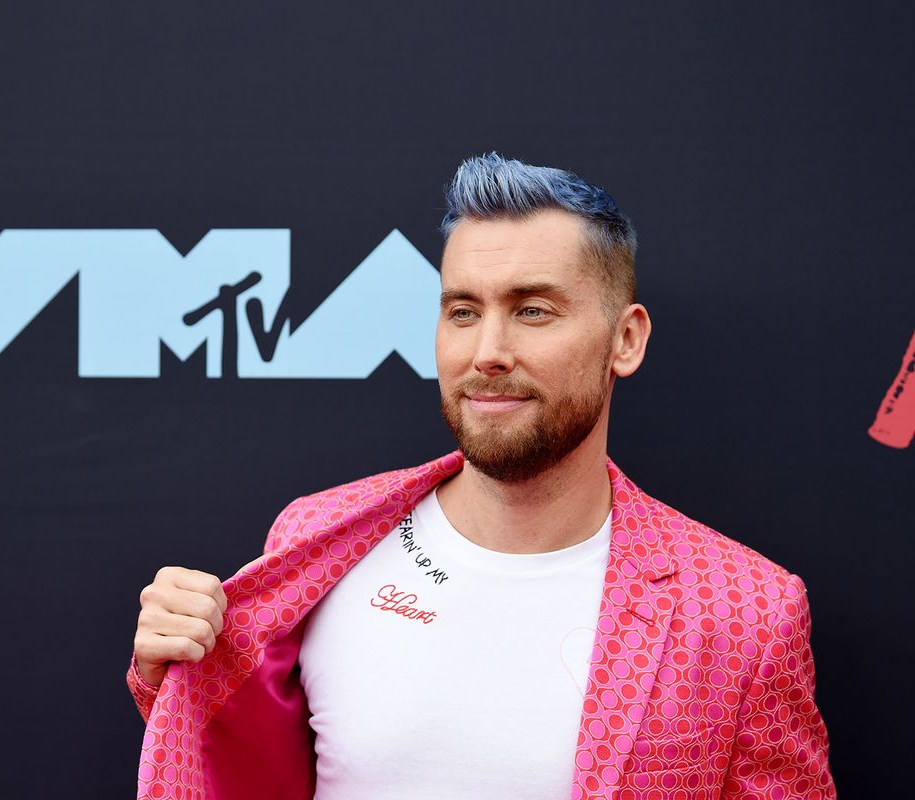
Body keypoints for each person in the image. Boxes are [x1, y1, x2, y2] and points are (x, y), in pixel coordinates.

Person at [127, 154, 835, 799]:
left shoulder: (746, 614)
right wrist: (175, 671)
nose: (488, 351)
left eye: (532, 310)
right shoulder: (315, 536)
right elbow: (235, 762)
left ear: (626, 339)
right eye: (463, 311)